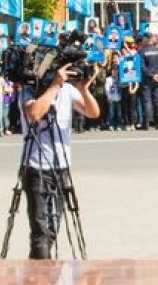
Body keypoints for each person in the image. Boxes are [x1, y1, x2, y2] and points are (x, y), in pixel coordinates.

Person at [20, 62, 100, 259]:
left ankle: (42, 274)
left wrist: (83, 89)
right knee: (40, 233)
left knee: (53, 227)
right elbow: (35, 113)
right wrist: (54, 86)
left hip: (61, 167)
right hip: (36, 166)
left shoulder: (68, 90)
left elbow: (93, 113)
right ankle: (40, 281)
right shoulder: (29, 90)